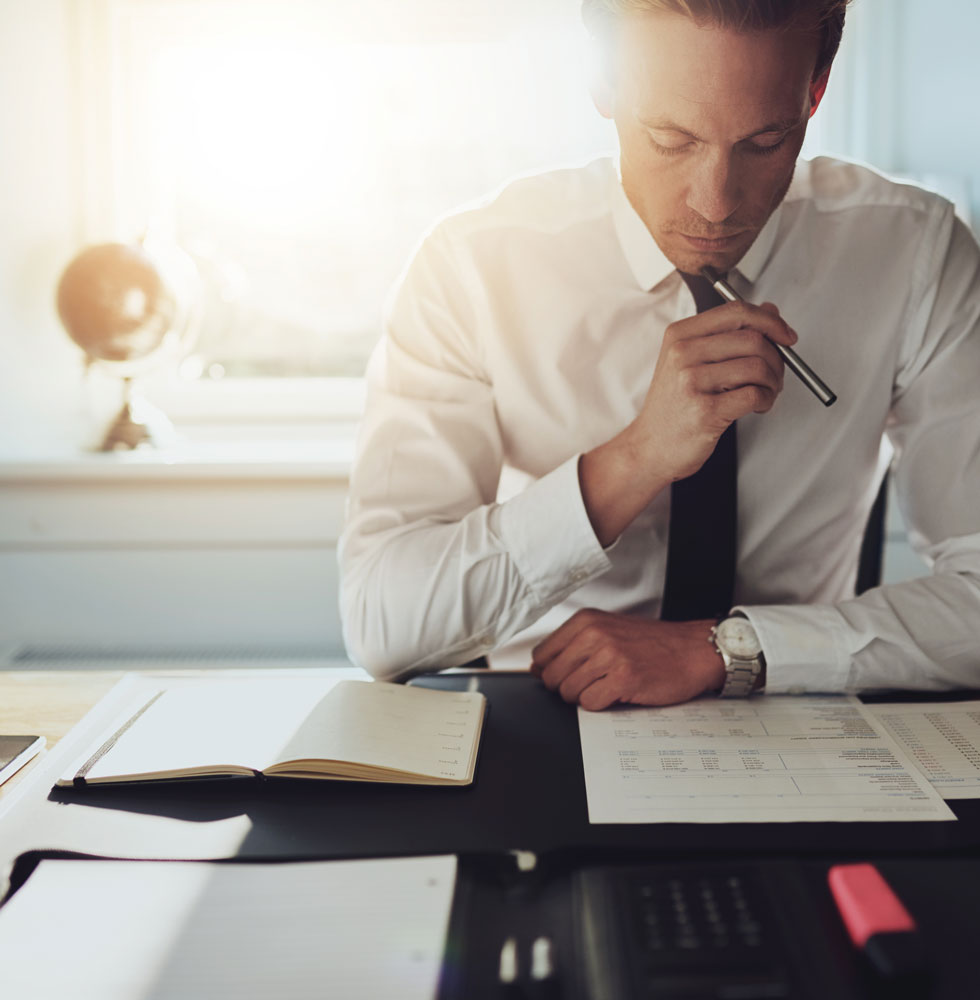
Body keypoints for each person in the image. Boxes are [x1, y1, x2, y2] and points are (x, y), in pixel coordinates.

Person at [339, 0, 980, 709]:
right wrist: (635, 459)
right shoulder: (472, 267)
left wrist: (735, 648)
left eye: (765, 143)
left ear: (816, 89)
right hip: (541, 718)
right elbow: (381, 624)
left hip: (800, 717)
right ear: (604, 84)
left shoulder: (917, 252)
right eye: (672, 139)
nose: (713, 204)